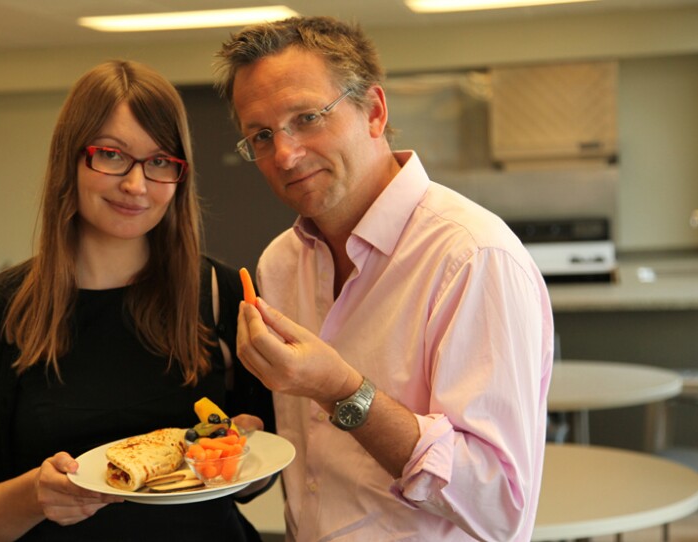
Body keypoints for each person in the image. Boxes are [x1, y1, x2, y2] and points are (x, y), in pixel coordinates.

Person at [215, 16, 554, 541]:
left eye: (307, 117)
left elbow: (499, 506)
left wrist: (341, 391)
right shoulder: (279, 265)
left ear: (373, 111)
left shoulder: (472, 256)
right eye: (260, 135)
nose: (284, 154)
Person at [0, 59, 274, 542]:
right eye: (111, 155)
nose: (136, 185)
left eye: (159, 162)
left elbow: (255, 481)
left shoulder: (222, 294)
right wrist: (34, 496)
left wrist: (243, 456)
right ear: (68, 162)